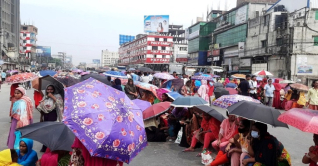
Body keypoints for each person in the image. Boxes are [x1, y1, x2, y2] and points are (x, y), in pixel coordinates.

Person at [37, 85, 64, 152]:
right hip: (46, 115)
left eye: (51, 89)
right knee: (46, 132)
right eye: (48, 89)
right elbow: (42, 107)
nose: (49, 91)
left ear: (54, 90)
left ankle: (52, 147)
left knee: (52, 131)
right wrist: (41, 117)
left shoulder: (57, 96)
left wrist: (53, 97)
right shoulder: (45, 97)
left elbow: (60, 104)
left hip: (53, 115)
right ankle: (45, 147)